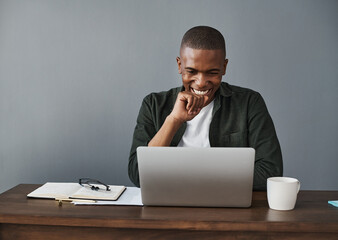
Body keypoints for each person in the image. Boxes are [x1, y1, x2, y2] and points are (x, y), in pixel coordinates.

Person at [128, 26, 283, 191]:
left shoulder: (249, 103)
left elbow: (270, 171)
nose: (201, 82)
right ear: (179, 65)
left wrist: (195, 181)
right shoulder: (153, 104)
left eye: (212, 72)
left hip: (228, 208)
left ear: (224, 67)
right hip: (168, 206)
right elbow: (138, 174)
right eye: (191, 71)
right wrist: (173, 120)